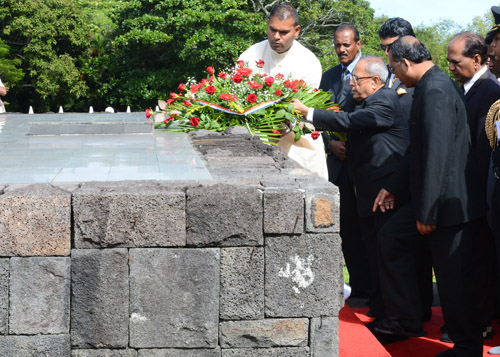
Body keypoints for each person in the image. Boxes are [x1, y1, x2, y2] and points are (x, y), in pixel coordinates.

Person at [373, 36, 484, 357]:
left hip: (447, 205)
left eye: (393, 66)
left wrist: (428, 212)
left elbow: (438, 156)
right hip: (432, 198)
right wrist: (394, 185)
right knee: (392, 237)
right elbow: (418, 150)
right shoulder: (429, 86)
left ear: (405, 63)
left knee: (453, 279)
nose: (393, 73)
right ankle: (405, 319)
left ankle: (466, 346)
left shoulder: (435, 91)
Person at [292, 55, 410, 324]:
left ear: (376, 81)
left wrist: (308, 113)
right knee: (374, 253)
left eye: (357, 79)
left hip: (386, 193)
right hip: (370, 191)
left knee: (389, 257)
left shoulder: (385, 101)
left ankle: (400, 319)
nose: (351, 83)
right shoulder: (367, 99)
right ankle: (382, 311)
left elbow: (350, 122)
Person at [377, 17, 434, 327]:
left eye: (393, 51)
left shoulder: (428, 87)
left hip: (416, 180)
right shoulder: (391, 77)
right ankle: (399, 312)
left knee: (416, 252)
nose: (389, 58)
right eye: (386, 51)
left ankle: (414, 314)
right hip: (393, 176)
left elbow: (426, 144)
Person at [446, 30, 500, 343]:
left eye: (455, 62)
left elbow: (482, 151)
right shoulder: (466, 89)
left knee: (481, 262)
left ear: (476, 59)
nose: (450, 67)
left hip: (479, 195)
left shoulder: (489, 91)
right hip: (466, 194)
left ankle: (481, 321)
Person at [238, 3, 328, 180]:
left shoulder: (308, 62)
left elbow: (299, 111)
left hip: (298, 149)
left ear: (297, 31)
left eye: (284, 32)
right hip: (257, 147)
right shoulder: (249, 56)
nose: (276, 37)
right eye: (272, 30)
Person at [318, 24, 371, 299]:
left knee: (367, 230)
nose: (341, 50)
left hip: (364, 163)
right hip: (336, 164)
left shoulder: (372, 74)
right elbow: (317, 118)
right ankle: (359, 287)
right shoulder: (327, 77)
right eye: (338, 45)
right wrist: (331, 144)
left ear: (358, 44)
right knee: (346, 229)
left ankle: (373, 287)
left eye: (347, 45)